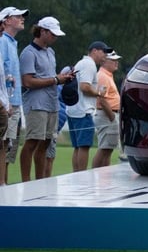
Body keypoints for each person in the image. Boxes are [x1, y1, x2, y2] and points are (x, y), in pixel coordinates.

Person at [18, 17, 74, 181]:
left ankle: (40, 181)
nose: (55, 38)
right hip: (36, 105)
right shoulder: (28, 53)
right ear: (42, 31)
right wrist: (56, 80)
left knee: (46, 143)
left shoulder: (51, 52)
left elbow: (51, 77)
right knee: (32, 142)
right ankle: (26, 182)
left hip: (52, 104)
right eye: (52, 34)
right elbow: (27, 82)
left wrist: (63, 78)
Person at [67, 40, 110, 171]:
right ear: (94, 51)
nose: (105, 56)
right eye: (103, 52)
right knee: (84, 146)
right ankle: (81, 176)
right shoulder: (89, 64)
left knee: (78, 147)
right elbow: (84, 86)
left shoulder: (82, 63)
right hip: (83, 111)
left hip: (74, 109)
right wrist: (98, 93)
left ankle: (76, 175)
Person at [1, 6, 28, 185]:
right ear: (6, 21)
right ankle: (2, 186)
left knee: (9, 148)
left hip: (14, 103)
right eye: (17, 16)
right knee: (4, 146)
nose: (22, 18)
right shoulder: (3, 41)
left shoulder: (11, 42)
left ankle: (5, 186)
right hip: (7, 103)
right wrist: (7, 103)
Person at [92, 50, 122, 168]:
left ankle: (104, 175)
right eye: (113, 60)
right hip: (107, 115)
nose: (116, 63)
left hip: (108, 115)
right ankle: (97, 174)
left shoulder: (107, 75)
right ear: (104, 61)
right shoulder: (103, 76)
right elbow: (102, 99)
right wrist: (112, 117)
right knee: (104, 148)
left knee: (108, 149)